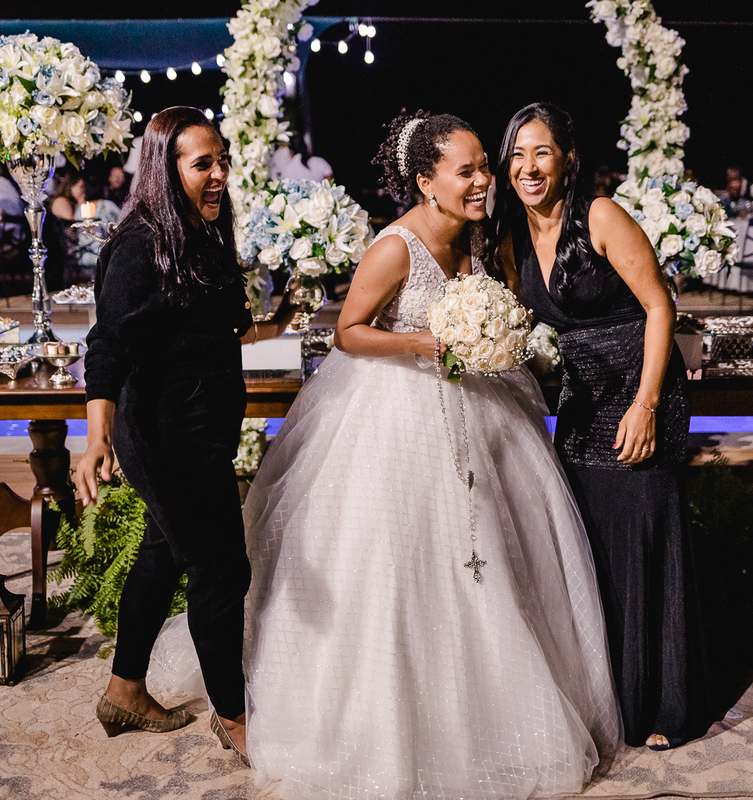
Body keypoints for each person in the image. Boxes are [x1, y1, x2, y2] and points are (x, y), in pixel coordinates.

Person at [237, 110, 621, 796]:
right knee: (400, 561)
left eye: (483, 168)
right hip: (395, 410)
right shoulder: (394, 248)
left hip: (481, 408)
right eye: (466, 170)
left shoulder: (481, 239)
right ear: (426, 180)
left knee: (495, 555)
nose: (483, 182)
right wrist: (424, 344)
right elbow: (349, 333)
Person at [493, 102, 713, 751]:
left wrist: (646, 404)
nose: (528, 167)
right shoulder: (512, 240)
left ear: (566, 159)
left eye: (541, 153)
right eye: (517, 155)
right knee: (586, 541)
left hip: (638, 388)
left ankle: (662, 706)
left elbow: (657, 306)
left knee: (643, 534)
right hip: (580, 402)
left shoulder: (601, 216)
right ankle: (605, 697)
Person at [76, 107, 294, 754]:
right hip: (164, 438)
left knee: (161, 552)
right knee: (221, 570)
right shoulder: (139, 244)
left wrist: (282, 317)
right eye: (204, 163)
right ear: (165, 169)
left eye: (222, 159)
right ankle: (234, 719)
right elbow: (108, 346)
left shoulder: (199, 231)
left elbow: (217, 326)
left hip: (202, 431)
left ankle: (123, 692)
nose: (220, 173)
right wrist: (96, 440)